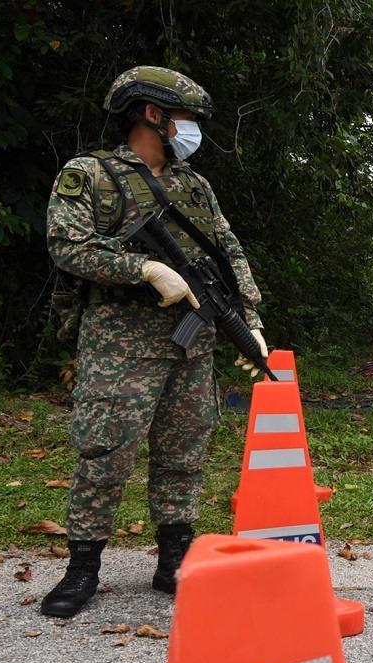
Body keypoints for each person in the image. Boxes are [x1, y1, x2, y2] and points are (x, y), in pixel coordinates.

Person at [41, 66, 267, 617]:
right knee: (105, 452)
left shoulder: (195, 185)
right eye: (186, 118)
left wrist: (249, 317)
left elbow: (227, 250)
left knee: (184, 451)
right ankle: (82, 567)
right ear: (153, 114)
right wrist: (143, 268)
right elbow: (66, 244)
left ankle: (174, 560)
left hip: (191, 342)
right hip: (120, 344)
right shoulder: (91, 173)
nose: (192, 131)